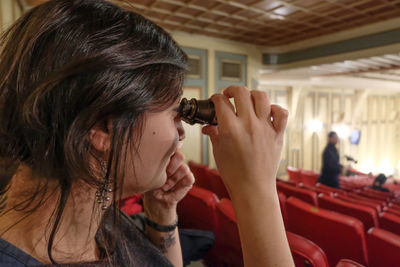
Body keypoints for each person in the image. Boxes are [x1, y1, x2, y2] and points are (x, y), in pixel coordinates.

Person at [0, 0, 293, 266]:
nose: (181, 133)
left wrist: (161, 215)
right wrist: (257, 190)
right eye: (174, 112)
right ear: (103, 126)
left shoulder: (87, 216)